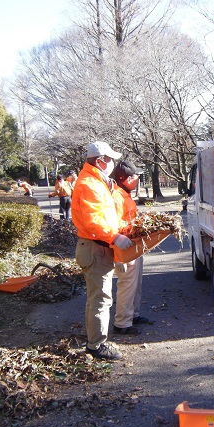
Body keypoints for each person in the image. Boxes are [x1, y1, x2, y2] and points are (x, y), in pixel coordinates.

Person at [71, 141, 134, 361]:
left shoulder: (97, 182)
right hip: (95, 247)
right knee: (100, 299)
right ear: (100, 161)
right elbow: (93, 221)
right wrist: (115, 237)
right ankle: (96, 345)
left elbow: (103, 217)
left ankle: (95, 339)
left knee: (97, 298)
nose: (112, 163)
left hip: (98, 246)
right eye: (110, 159)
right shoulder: (90, 184)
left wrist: (116, 237)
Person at [111, 160, 153, 335]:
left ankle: (133, 315)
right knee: (127, 284)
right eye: (136, 176)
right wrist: (134, 227)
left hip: (133, 245)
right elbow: (113, 223)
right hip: (124, 247)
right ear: (125, 178)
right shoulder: (116, 197)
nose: (137, 179)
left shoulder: (125, 194)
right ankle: (122, 323)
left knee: (136, 283)